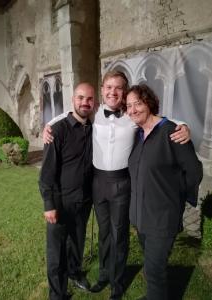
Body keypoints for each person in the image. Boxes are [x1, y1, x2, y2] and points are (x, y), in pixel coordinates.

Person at [43, 71, 190, 300]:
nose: (113, 92)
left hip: (122, 182)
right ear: (102, 90)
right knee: (104, 234)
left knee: (119, 235)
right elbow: (71, 113)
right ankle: (104, 275)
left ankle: (118, 284)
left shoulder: (133, 115)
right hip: (97, 183)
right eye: (109, 87)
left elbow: (159, 120)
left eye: (119, 88)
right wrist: (48, 125)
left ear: (125, 91)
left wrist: (183, 125)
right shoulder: (95, 112)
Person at [126, 84, 203, 300]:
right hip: (141, 217)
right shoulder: (137, 134)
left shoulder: (172, 132)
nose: (132, 110)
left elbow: (194, 171)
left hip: (162, 217)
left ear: (149, 102)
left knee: (154, 270)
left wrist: (175, 200)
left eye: (138, 104)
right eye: (129, 106)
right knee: (153, 267)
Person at [39, 82, 95, 300]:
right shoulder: (57, 130)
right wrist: (49, 205)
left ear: (94, 102)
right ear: (73, 100)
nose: (85, 103)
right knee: (57, 251)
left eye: (89, 99)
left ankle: (74, 273)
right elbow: (46, 173)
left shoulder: (94, 127)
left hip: (84, 200)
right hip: (61, 201)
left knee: (77, 242)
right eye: (81, 98)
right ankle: (57, 294)